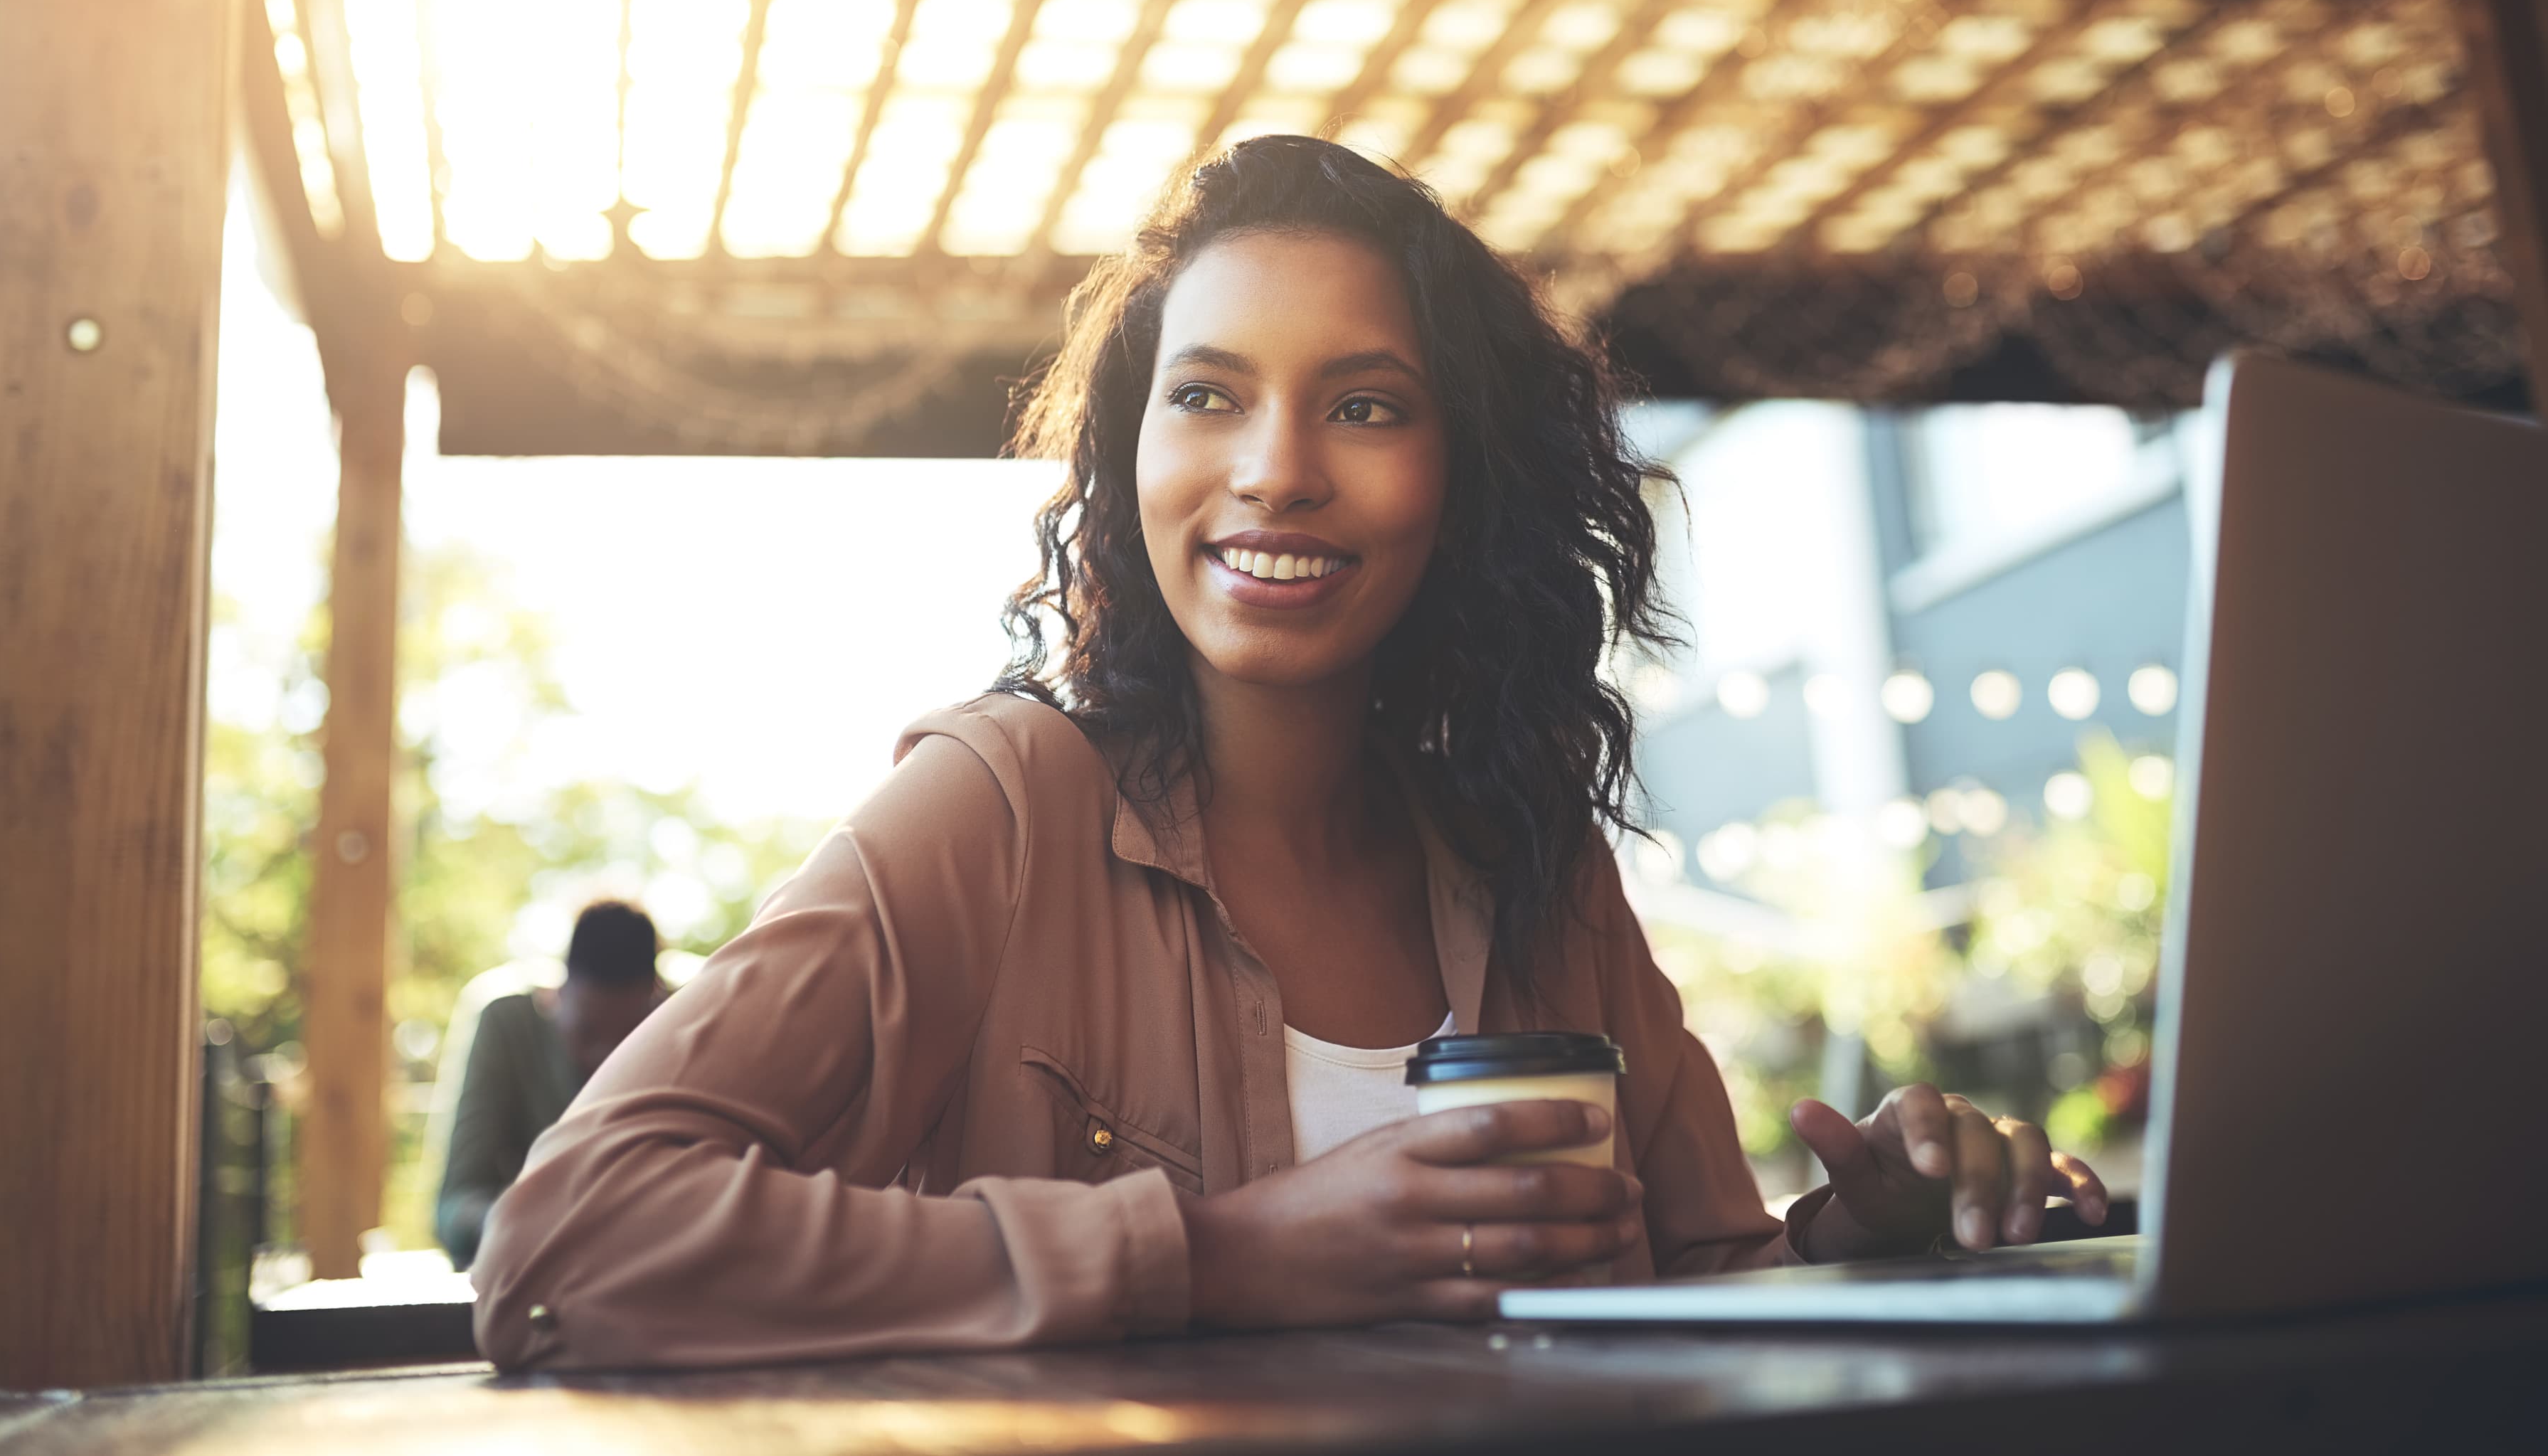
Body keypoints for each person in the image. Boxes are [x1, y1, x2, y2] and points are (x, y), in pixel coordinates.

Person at [471, 137, 2106, 1368]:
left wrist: (1862, 1236)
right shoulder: (997, 809)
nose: (1276, 470)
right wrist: (1220, 1254)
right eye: (1208, 396)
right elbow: (565, 1241)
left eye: (1368, 406)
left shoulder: (1534, 861)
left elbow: (1691, 1294)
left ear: (1462, 478)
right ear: (1131, 457)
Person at [432, 900, 667, 1270]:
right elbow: (454, 1205)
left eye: (626, 1038)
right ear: (555, 994)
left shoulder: (685, 1024)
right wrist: (520, 1222)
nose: (604, 1057)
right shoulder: (507, 1023)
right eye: (587, 1033)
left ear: (658, 1004)